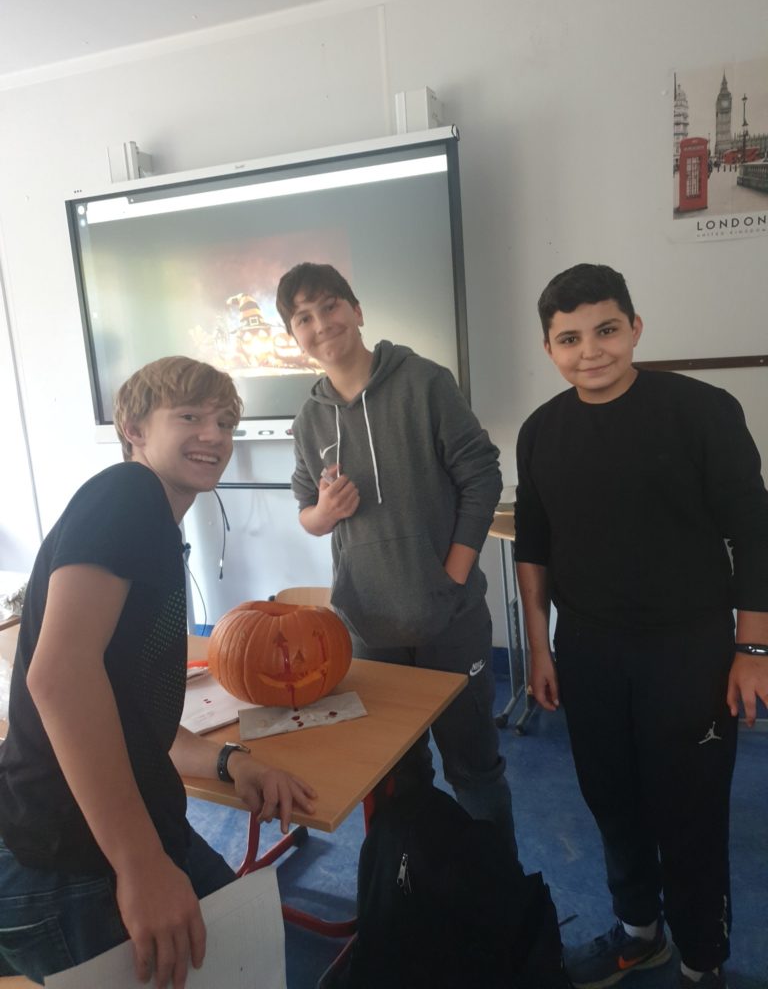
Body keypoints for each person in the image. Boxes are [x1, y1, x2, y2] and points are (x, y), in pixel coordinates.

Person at [0, 356, 316, 988]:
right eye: (190, 416)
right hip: (70, 861)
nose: (214, 436)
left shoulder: (153, 525)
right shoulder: (127, 495)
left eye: (225, 423)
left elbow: (138, 720)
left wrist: (233, 762)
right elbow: (59, 678)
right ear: (134, 429)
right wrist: (140, 864)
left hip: (126, 837)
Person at [514, 263, 768, 989]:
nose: (590, 350)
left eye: (606, 330)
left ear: (635, 328)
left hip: (688, 650)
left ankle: (702, 960)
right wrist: (538, 646)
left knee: (690, 813)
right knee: (611, 799)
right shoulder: (541, 431)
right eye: (570, 338)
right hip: (588, 648)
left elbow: (755, 532)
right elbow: (533, 545)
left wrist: (753, 647)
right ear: (549, 348)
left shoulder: (702, 411)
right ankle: (639, 933)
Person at [275, 262, 517, 857]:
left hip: (449, 622)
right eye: (303, 318)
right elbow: (306, 514)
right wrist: (325, 512)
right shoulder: (309, 418)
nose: (320, 324)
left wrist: (453, 575)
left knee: (474, 771)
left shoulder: (425, 382)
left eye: (330, 306)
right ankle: (414, 893)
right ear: (294, 336)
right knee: (396, 778)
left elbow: (482, 476)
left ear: (357, 311)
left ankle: (497, 892)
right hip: (368, 631)